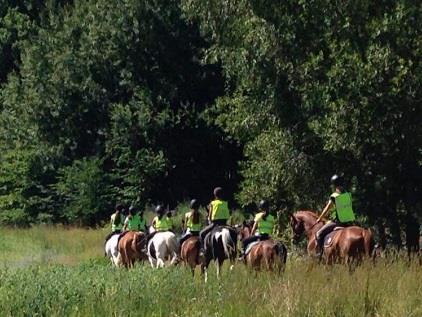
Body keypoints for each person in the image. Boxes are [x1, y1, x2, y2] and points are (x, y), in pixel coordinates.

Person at [315, 174, 356, 256]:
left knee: (318, 234)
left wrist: (319, 218)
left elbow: (327, 208)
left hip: (338, 222)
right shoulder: (347, 194)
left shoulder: (334, 196)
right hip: (349, 222)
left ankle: (319, 254)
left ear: (334, 185)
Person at [199, 187, 230, 254]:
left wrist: (209, 221)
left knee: (201, 234)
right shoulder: (225, 203)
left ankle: (203, 250)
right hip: (224, 224)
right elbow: (227, 216)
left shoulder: (212, 203)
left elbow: (210, 216)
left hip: (215, 224)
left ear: (215, 195)